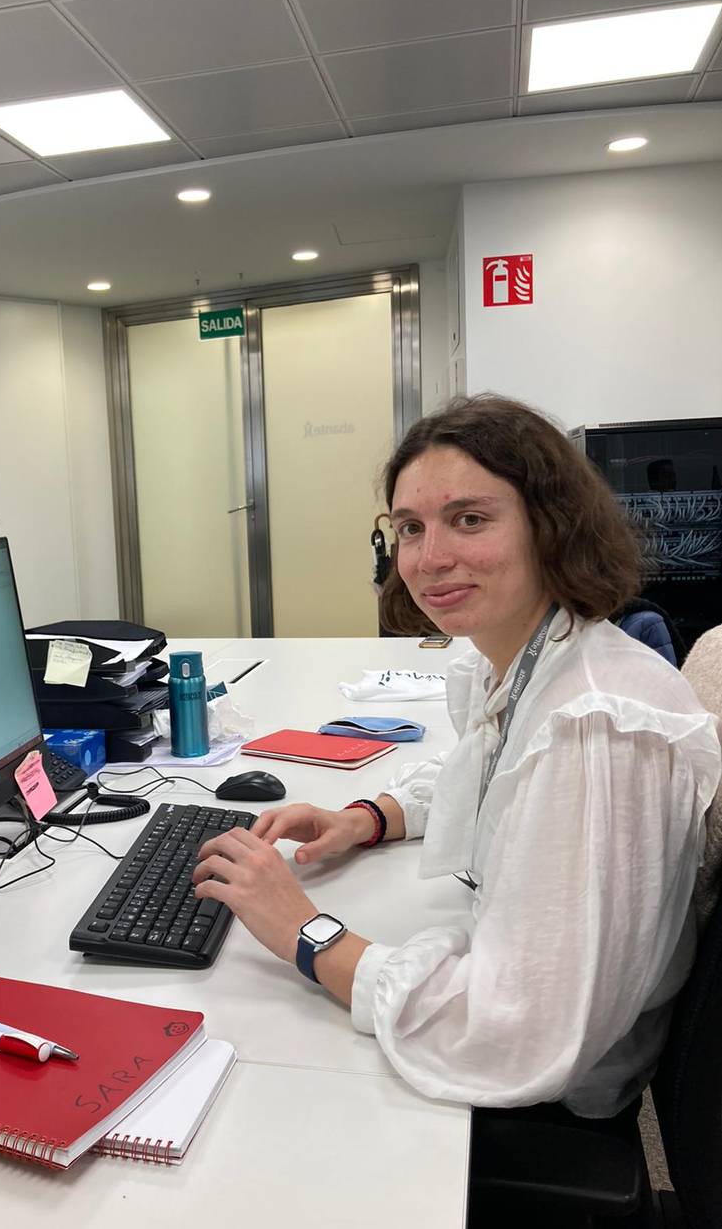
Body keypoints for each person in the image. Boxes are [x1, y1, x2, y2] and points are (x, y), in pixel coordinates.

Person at [193, 394, 721, 1118]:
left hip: (545, 1100)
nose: (429, 557)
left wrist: (303, 932)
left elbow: (513, 1032)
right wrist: (367, 817)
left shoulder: (594, 726)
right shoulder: (525, 659)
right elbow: (492, 770)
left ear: (550, 526)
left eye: (469, 519)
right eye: (410, 527)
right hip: (523, 1033)